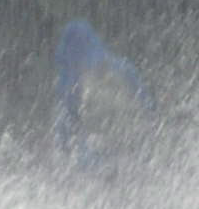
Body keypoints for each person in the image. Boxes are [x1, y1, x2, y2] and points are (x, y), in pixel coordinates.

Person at [52, 19, 149, 172]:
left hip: (95, 154)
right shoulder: (122, 67)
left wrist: (64, 150)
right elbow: (146, 102)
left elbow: (65, 125)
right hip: (131, 141)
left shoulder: (70, 82)